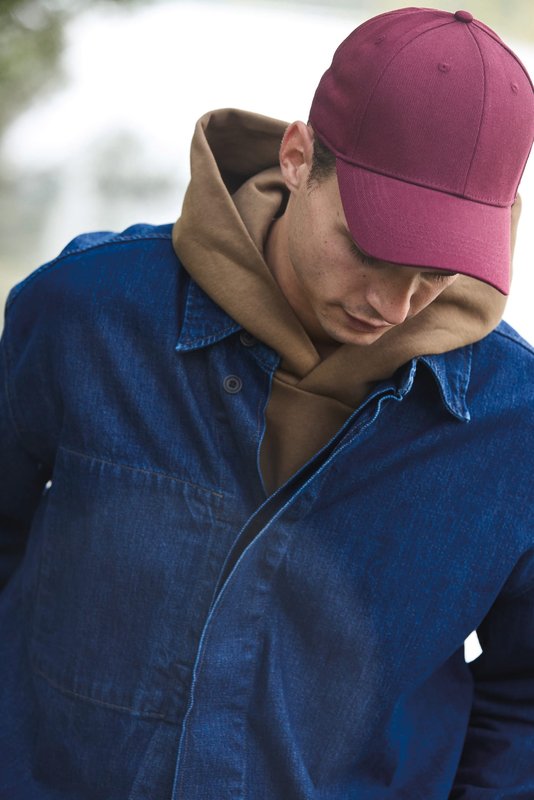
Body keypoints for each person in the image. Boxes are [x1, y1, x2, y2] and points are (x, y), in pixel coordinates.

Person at [0, 6, 533, 798]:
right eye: (369, 249)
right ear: (297, 157)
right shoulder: (85, 315)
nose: (394, 305)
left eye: (437, 272)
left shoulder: (515, 426)